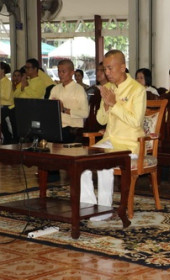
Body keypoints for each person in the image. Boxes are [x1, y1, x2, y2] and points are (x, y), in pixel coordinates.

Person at [80, 50, 146, 221]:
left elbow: (135, 121)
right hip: (109, 140)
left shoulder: (137, 90)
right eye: (104, 69)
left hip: (129, 145)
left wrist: (114, 104)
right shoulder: (108, 88)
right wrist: (107, 105)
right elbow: (102, 120)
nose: (106, 73)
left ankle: (104, 210)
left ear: (122, 67)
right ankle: (88, 207)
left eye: (110, 69)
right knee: (80, 162)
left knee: (104, 165)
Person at [49, 59, 90, 143]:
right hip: (57, 128)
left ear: (72, 73)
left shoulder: (79, 89)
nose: (60, 74)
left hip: (72, 129)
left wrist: (64, 110)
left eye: (63, 72)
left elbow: (85, 113)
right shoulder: (55, 88)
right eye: (59, 71)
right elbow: (49, 109)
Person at [0, 62, 14, 144]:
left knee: (6, 130)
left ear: (3, 70)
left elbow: (7, 97)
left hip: (6, 108)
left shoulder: (7, 82)